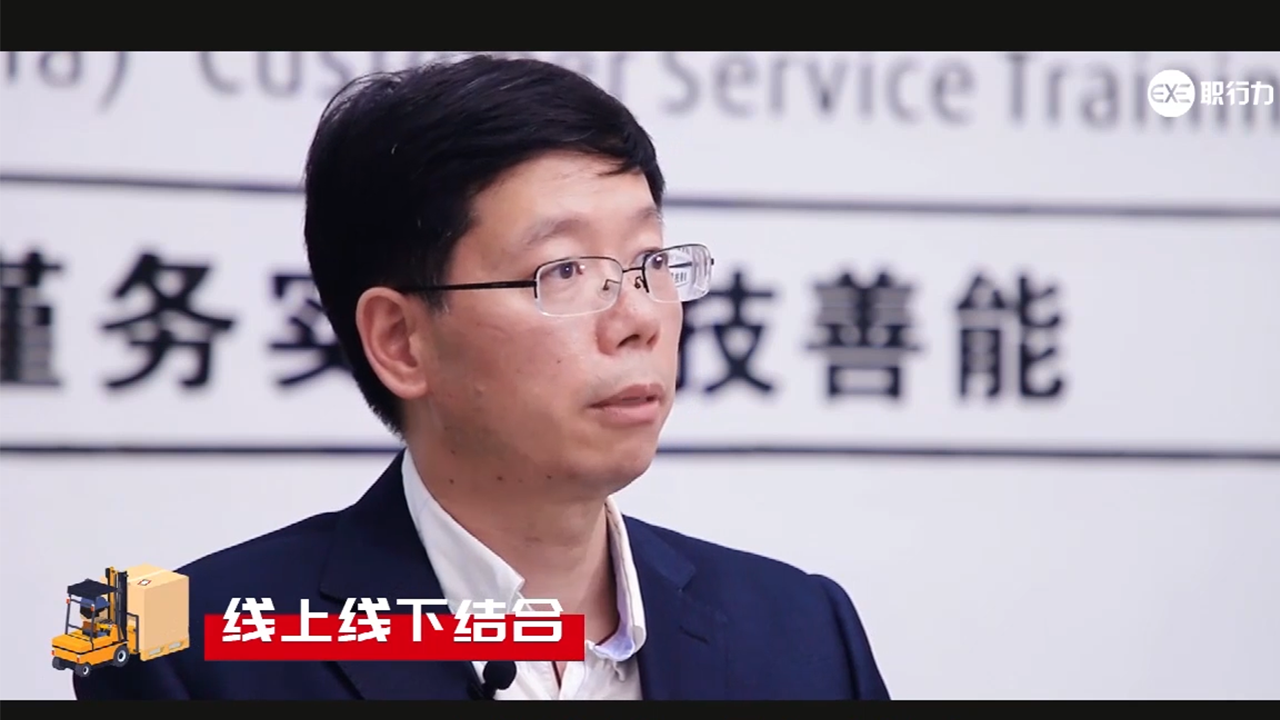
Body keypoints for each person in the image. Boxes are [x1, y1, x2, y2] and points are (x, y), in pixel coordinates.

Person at [73, 54, 889, 701]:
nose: (639, 317)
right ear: (400, 341)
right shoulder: (178, 650)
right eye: (565, 271)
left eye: (648, 261)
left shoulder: (803, 630)